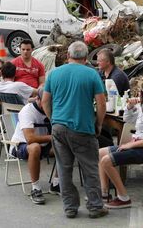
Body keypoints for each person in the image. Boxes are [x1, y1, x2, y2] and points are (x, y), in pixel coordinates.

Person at [42, 41, 109, 219]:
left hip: (58, 127)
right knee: (90, 169)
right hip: (82, 128)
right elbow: (101, 103)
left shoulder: (54, 73)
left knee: (64, 169)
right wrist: (99, 123)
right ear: (86, 58)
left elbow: (45, 101)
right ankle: (95, 206)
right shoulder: (92, 74)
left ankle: (70, 208)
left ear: (67, 56)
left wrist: (53, 119)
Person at [98, 78, 143, 209]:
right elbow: (127, 119)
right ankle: (104, 193)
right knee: (100, 153)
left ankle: (124, 197)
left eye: (140, 91)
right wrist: (129, 107)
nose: (138, 92)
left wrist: (130, 145)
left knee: (106, 161)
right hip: (138, 145)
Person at [9, 89, 56, 204]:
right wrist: (53, 137)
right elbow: (30, 139)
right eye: (45, 101)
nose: (48, 105)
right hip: (21, 145)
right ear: (37, 99)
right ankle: (35, 188)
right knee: (35, 147)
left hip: (45, 144)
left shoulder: (55, 108)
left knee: (66, 145)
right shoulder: (27, 111)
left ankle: (56, 183)